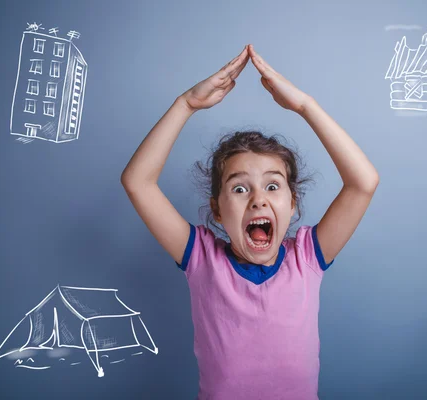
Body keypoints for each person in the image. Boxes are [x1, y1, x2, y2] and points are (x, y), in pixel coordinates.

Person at [121, 44, 379, 400]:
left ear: (292, 203)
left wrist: (305, 106)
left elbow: (363, 183)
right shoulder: (201, 258)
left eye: (273, 186)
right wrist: (186, 104)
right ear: (217, 209)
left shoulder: (306, 257)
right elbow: (137, 182)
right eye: (240, 188)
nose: (258, 198)